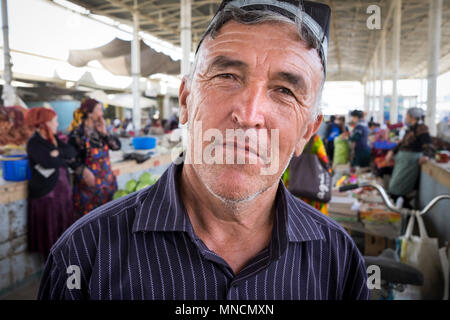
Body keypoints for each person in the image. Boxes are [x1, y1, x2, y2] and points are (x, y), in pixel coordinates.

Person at [38, 0, 369, 300]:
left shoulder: (337, 261)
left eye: (284, 90)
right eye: (226, 75)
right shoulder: (84, 255)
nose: (249, 115)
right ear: (186, 100)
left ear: (306, 133)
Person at [25, 107, 77, 259]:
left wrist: (58, 153)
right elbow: (49, 162)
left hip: (62, 195)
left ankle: (62, 262)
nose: (57, 124)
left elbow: (71, 152)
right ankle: (51, 267)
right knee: (49, 233)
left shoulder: (54, 140)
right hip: (46, 195)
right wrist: (62, 160)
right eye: (54, 121)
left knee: (62, 230)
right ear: (45, 123)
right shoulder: (34, 143)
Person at [67, 98, 121, 217]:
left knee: (108, 218)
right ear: (90, 114)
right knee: (89, 221)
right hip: (88, 186)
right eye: (99, 109)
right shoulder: (78, 133)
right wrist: (83, 171)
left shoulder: (101, 130)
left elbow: (117, 147)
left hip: (107, 184)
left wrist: (105, 132)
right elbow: (69, 157)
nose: (102, 113)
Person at [386, 107, 434, 200]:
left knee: (399, 186)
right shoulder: (411, 128)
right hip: (403, 161)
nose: (405, 117)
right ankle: (398, 205)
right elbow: (402, 142)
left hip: (410, 162)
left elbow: (428, 144)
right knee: (395, 185)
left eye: (407, 115)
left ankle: (401, 207)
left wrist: (426, 156)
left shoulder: (421, 128)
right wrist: (392, 151)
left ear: (412, 117)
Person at [282, 134, 332, 215]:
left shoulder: (289, 135)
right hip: (311, 188)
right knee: (310, 220)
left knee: (291, 214)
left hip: (290, 182)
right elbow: (324, 161)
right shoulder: (314, 139)